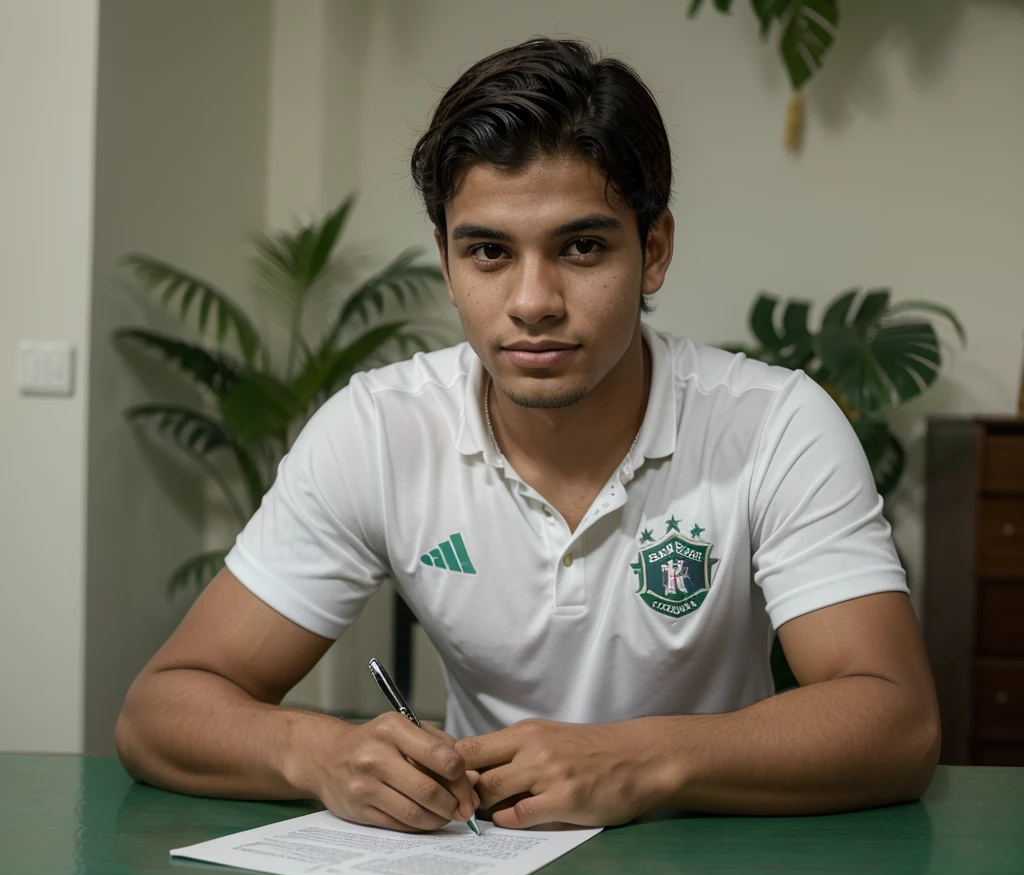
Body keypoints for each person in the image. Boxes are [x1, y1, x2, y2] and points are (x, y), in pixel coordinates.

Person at [116, 37, 940, 832]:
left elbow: (896, 721)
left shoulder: (775, 424)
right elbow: (161, 711)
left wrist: (641, 762)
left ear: (653, 252)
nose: (533, 300)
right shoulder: (379, 429)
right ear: (446, 261)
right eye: (488, 252)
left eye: (581, 247)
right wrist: (323, 753)